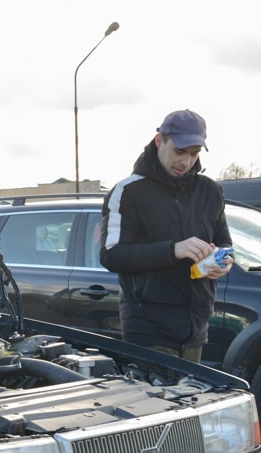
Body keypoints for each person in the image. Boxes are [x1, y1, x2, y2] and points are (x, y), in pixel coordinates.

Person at [99, 109, 233, 363]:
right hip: (149, 329)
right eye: (179, 152)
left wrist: (223, 261)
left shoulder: (210, 190)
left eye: (194, 154)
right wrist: (173, 250)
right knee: (154, 402)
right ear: (160, 141)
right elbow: (111, 254)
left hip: (197, 326)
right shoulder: (128, 191)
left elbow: (225, 242)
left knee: (191, 403)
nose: (186, 161)